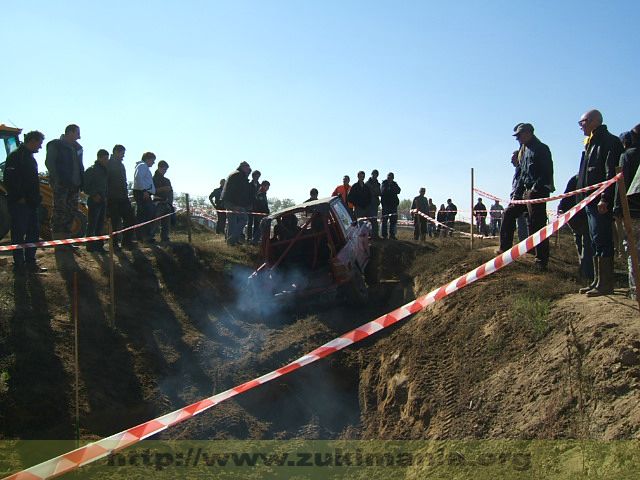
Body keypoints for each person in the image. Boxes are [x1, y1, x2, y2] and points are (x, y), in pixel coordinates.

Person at [576, 110, 623, 295]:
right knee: (595, 240)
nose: (581, 126)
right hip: (589, 201)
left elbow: (610, 173)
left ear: (595, 121)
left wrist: (605, 198)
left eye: (583, 121)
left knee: (603, 240)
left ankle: (606, 284)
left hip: (600, 202)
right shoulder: (590, 143)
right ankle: (598, 281)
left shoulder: (608, 141)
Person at [498, 123, 554, 270]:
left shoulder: (542, 149)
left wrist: (535, 190)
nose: (517, 139)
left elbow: (547, 173)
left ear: (528, 133)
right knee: (508, 213)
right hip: (524, 192)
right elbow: (522, 175)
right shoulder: (523, 150)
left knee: (537, 224)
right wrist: (518, 194)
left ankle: (541, 260)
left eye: (519, 136)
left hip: (537, 193)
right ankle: (504, 250)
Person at [4, 130, 47, 273]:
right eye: (39, 144)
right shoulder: (16, 156)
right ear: (32, 140)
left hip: (32, 203)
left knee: (33, 233)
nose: (40, 147)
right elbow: (9, 180)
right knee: (18, 233)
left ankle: (30, 262)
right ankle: (19, 264)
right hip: (20, 204)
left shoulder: (29, 158)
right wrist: (19, 197)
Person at [45, 124, 84, 243]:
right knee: (60, 212)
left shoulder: (78, 148)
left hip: (74, 186)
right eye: (77, 133)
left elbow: (80, 166)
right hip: (62, 185)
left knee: (71, 212)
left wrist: (81, 182)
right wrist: (58, 180)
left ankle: (67, 241)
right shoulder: (56, 145)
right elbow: (49, 163)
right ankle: (58, 241)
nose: (79, 137)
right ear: (70, 132)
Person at [614, 128, 640, 298]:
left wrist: (617, 209)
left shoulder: (627, 155)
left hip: (633, 211)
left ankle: (636, 292)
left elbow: (620, 185)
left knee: (634, 251)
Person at [559, 174, 593, 282]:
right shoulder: (582, 178)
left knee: (581, 242)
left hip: (572, 215)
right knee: (585, 242)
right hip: (578, 216)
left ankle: (584, 272)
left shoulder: (576, 178)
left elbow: (564, 199)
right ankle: (587, 274)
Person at [106, 144, 136, 250]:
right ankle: (114, 244)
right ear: (116, 152)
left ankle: (127, 242)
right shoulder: (109, 164)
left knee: (130, 218)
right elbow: (107, 181)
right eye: (122, 153)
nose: (123, 156)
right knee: (114, 222)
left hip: (123, 197)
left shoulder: (121, 165)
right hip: (112, 198)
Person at [82, 149, 110, 253]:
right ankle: (90, 246)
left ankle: (99, 246)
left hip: (103, 200)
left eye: (107, 159)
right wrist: (94, 195)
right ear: (99, 157)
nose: (107, 161)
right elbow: (85, 186)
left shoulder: (105, 171)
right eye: (105, 158)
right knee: (92, 223)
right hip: (94, 201)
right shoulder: (92, 170)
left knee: (100, 224)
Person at [222, 161, 252, 245]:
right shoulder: (239, 175)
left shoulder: (235, 174)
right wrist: (239, 205)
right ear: (243, 167)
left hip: (228, 201)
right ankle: (232, 239)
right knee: (244, 219)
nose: (248, 169)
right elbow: (239, 192)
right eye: (247, 167)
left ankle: (230, 243)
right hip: (234, 202)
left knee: (232, 222)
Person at [132, 152, 157, 244]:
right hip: (142, 193)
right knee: (145, 214)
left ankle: (143, 236)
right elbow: (138, 177)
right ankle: (144, 236)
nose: (153, 163)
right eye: (152, 161)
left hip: (144, 192)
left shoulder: (143, 167)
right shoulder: (142, 166)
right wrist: (144, 191)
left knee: (145, 214)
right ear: (148, 159)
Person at [153, 160, 173, 245]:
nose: (165, 171)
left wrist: (170, 203)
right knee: (155, 222)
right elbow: (152, 191)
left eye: (166, 170)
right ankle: (151, 237)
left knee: (166, 223)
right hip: (157, 202)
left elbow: (170, 192)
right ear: (159, 168)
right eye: (164, 169)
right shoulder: (153, 179)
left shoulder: (167, 180)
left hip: (166, 202)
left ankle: (165, 238)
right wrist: (162, 189)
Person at [510, 149, 528, 241]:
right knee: (519, 222)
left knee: (522, 222)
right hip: (515, 197)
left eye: (513, 158)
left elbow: (519, 185)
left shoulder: (521, 170)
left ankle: (524, 243)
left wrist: (516, 196)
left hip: (520, 199)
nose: (511, 161)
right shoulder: (517, 170)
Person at [380, 172, 401, 239]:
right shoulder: (384, 183)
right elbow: (383, 191)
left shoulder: (394, 184)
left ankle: (392, 235)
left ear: (393, 178)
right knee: (384, 220)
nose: (390, 178)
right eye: (389, 177)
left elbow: (399, 190)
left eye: (391, 177)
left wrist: (390, 189)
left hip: (393, 205)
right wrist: (391, 190)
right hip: (385, 205)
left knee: (393, 221)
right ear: (387, 177)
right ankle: (384, 235)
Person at [252, 180, 270, 244]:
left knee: (260, 227)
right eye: (267, 187)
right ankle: (255, 240)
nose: (268, 189)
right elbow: (261, 204)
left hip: (262, 213)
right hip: (260, 213)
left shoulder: (263, 194)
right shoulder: (260, 194)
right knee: (261, 227)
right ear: (263, 186)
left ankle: (257, 240)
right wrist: (266, 211)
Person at [365, 169, 381, 238]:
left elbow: (380, 193)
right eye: (373, 174)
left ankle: (375, 235)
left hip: (374, 204)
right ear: (371, 174)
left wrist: (376, 193)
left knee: (374, 219)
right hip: (367, 204)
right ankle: (367, 235)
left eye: (376, 174)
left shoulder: (378, 184)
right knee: (367, 220)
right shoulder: (367, 183)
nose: (375, 175)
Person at [247, 170, 261, 241]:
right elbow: (247, 196)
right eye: (256, 176)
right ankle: (249, 238)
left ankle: (254, 239)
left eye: (258, 176)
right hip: (250, 207)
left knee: (257, 223)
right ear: (253, 176)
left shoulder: (260, 186)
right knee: (250, 223)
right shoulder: (249, 185)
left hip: (257, 208)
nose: (257, 177)